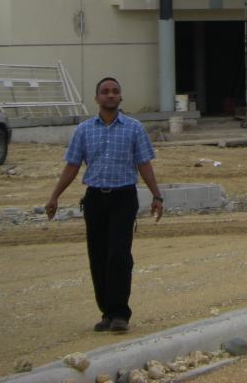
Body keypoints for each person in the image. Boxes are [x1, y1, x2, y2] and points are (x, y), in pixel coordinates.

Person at [44, 77, 164, 333]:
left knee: (119, 255)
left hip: (124, 197)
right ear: (97, 98)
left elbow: (144, 163)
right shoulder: (84, 130)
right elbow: (72, 166)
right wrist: (54, 196)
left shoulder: (133, 128)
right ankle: (107, 312)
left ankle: (120, 313)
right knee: (98, 257)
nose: (110, 95)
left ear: (120, 97)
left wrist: (157, 195)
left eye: (115, 91)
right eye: (105, 92)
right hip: (95, 199)